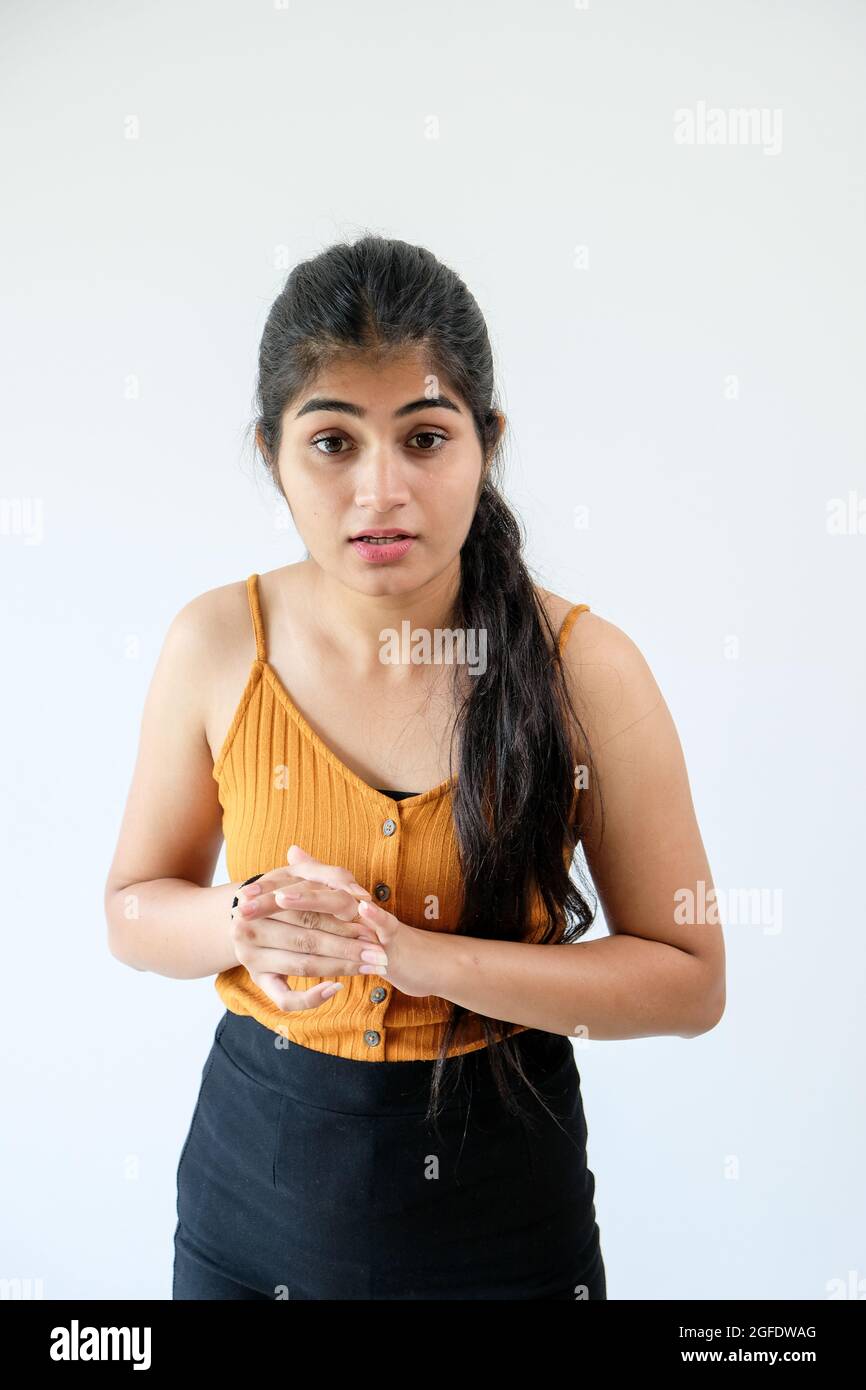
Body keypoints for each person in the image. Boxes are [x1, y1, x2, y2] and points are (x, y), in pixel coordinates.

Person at [104, 234, 726, 1301]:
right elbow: (130, 908)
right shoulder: (213, 644)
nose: (379, 491)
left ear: (485, 444)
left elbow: (688, 979)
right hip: (250, 1199)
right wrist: (243, 920)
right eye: (332, 443)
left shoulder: (587, 667)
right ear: (272, 455)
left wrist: (418, 958)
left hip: (502, 1214)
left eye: (424, 437)